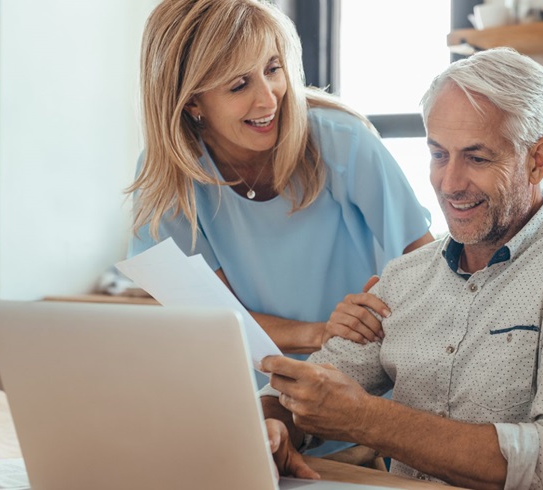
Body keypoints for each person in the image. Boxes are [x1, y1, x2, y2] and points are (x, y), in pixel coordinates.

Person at [259, 48, 543, 489]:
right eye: (439, 154)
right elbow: (306, 390)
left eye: (477, 158)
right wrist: (276, 426)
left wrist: (367, 419)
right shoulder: (404, 278)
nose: (450, 183)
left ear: (537, 160)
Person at [127, 0, 434, 355]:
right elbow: (213, 317)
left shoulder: (343, 142)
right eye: (239, 85)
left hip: (356, 370)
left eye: (272, 69)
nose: (269, 99)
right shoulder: (170, 174)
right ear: (192, 102)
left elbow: (428, 268)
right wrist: (321, 333)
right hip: (247, 377)